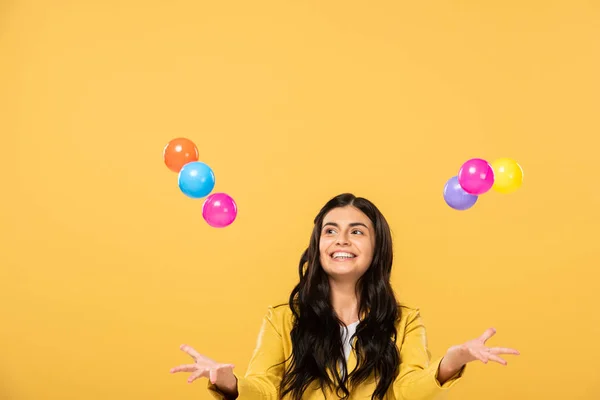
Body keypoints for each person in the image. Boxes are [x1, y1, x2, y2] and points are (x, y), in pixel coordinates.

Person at [170, 193, 520, 399]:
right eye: (331, 231)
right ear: (318, 245)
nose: (342, 240)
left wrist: (450, 362)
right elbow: (264, 388)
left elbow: (409, 390)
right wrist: (229, 383)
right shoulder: (281, 319)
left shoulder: (405, 320)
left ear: (376, 246)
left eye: (357, 231)